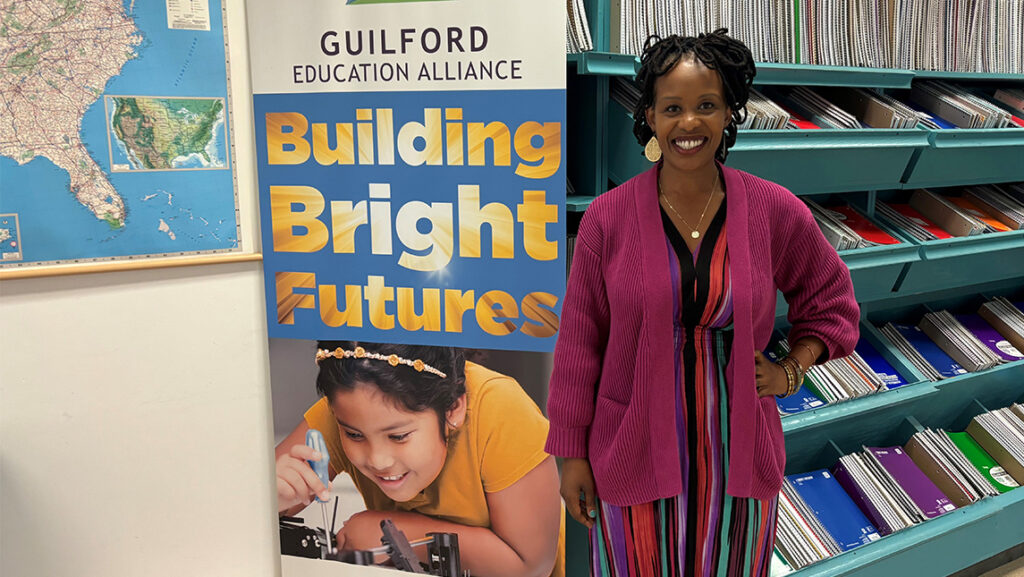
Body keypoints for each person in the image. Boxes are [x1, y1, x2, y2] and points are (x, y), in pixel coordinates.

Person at [545, 30, 860, 577]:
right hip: (631, 450)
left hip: (737, 457)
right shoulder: (607, 219)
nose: (689, 124)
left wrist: (791, 369)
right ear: (649, 115)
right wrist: (571, 454)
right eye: (673, 108)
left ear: (730, 112)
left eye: (706, 106)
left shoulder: (773, 210)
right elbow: (579, 345)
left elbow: (831, 301)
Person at [276, 341, 565, 577]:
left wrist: (396, 535)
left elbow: (530, 565)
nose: (378, 460)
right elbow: (248, 507)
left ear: (453, 408)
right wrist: (273, 498)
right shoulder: (349, 410)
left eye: (399, 436)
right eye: (354, 435)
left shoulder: (503, 411)